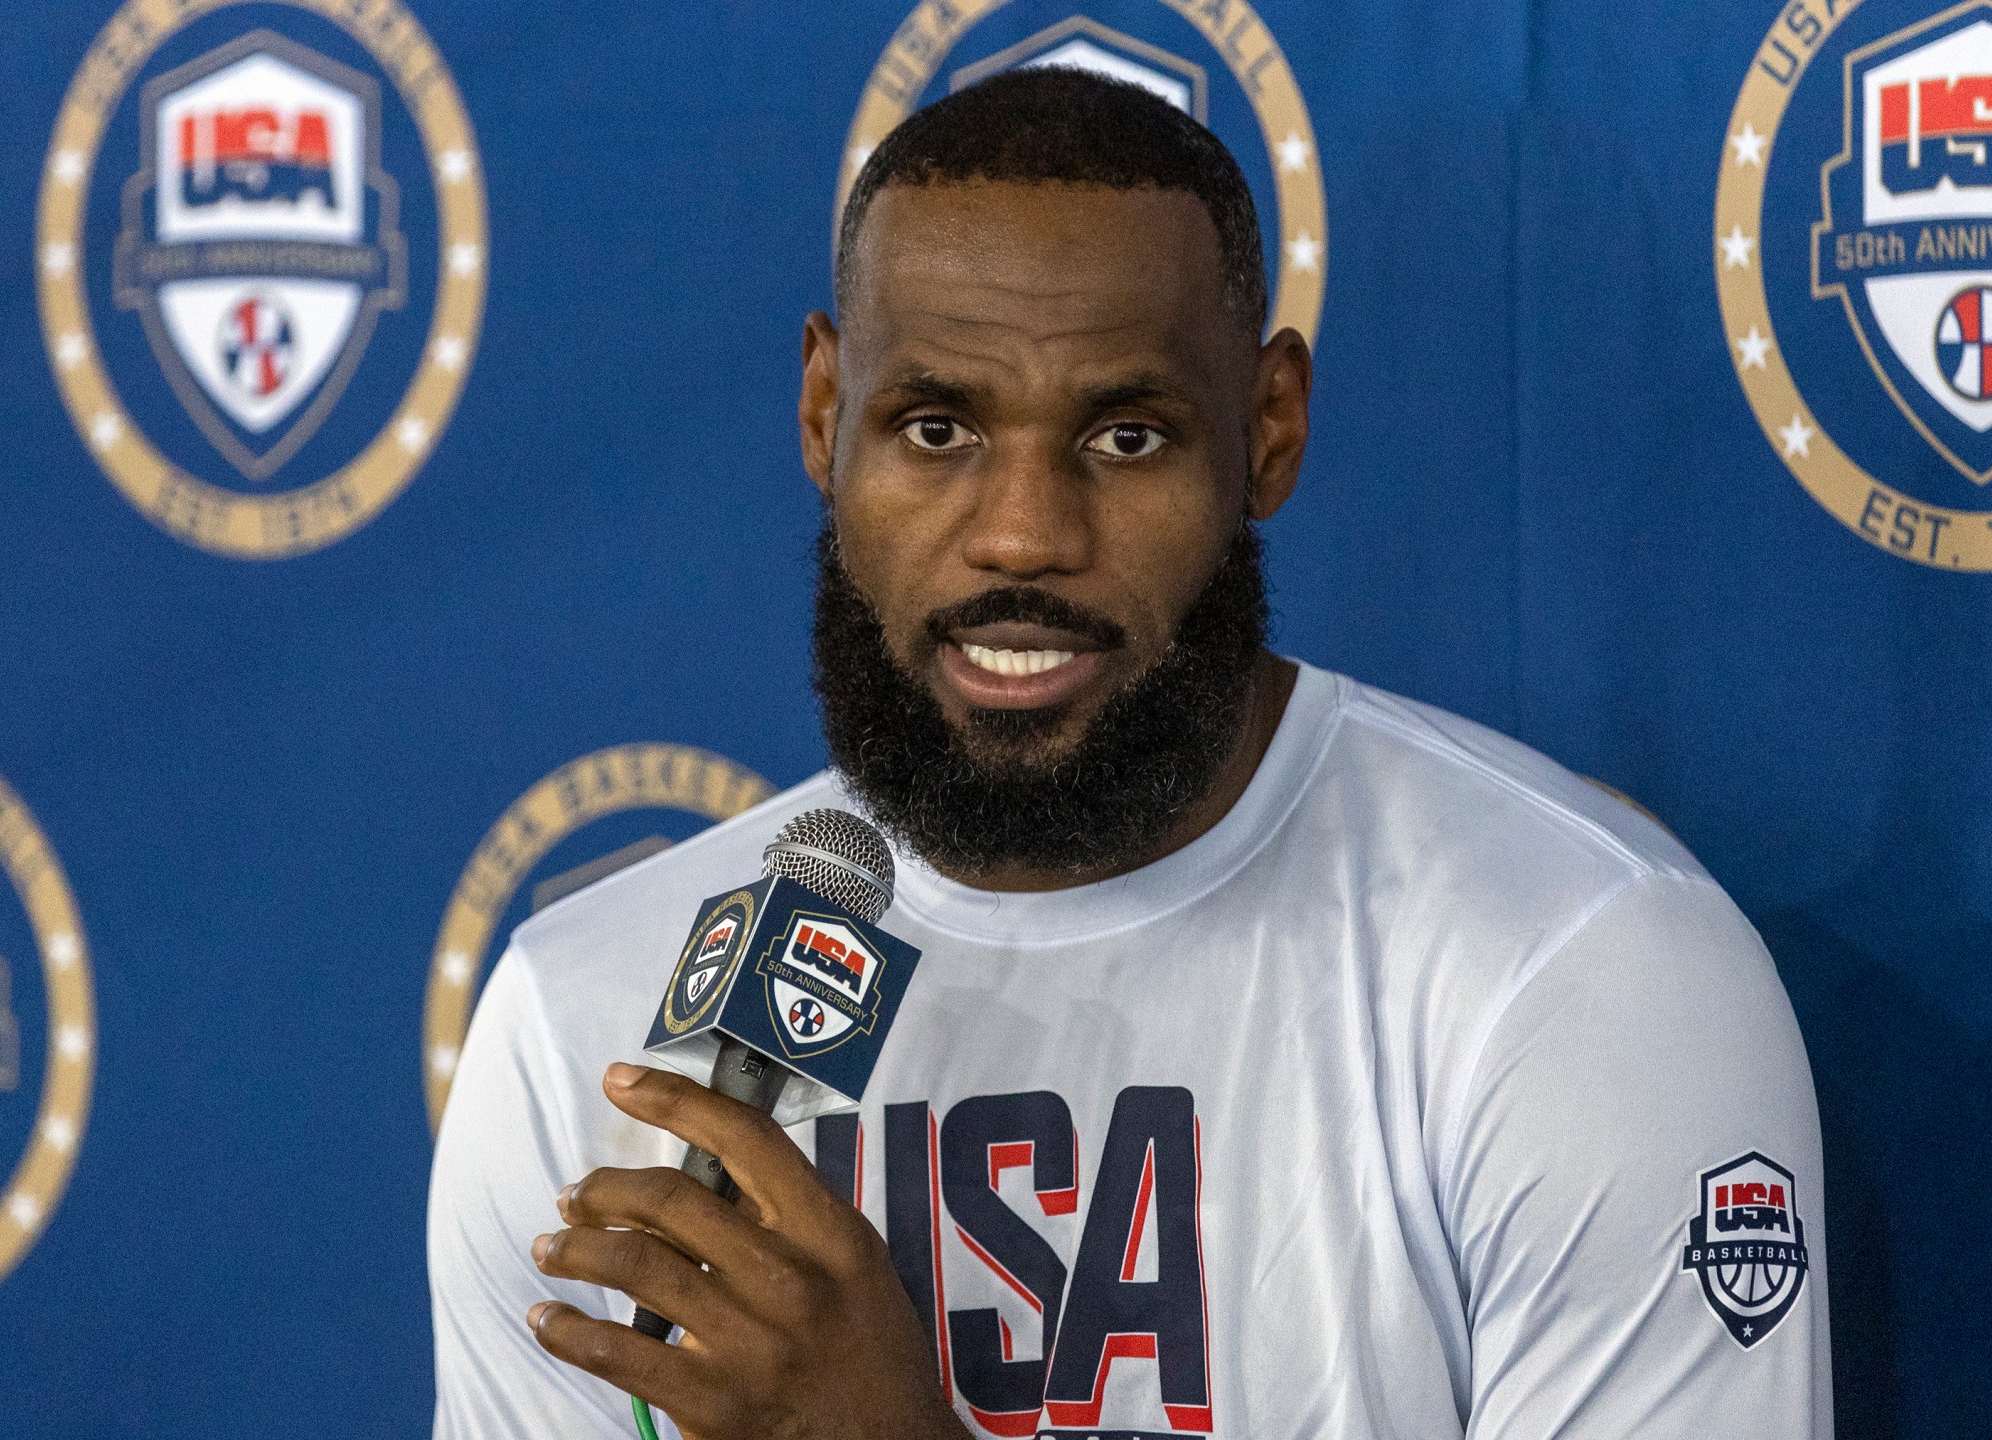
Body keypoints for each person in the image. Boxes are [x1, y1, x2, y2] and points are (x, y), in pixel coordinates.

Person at [428, 68, 1830, 1439]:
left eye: (1125, 433)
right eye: (936, 429)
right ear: (822, 417)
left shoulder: (1575, 971)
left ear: (1266, 431)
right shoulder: (589, 1018)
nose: (1025, 532)